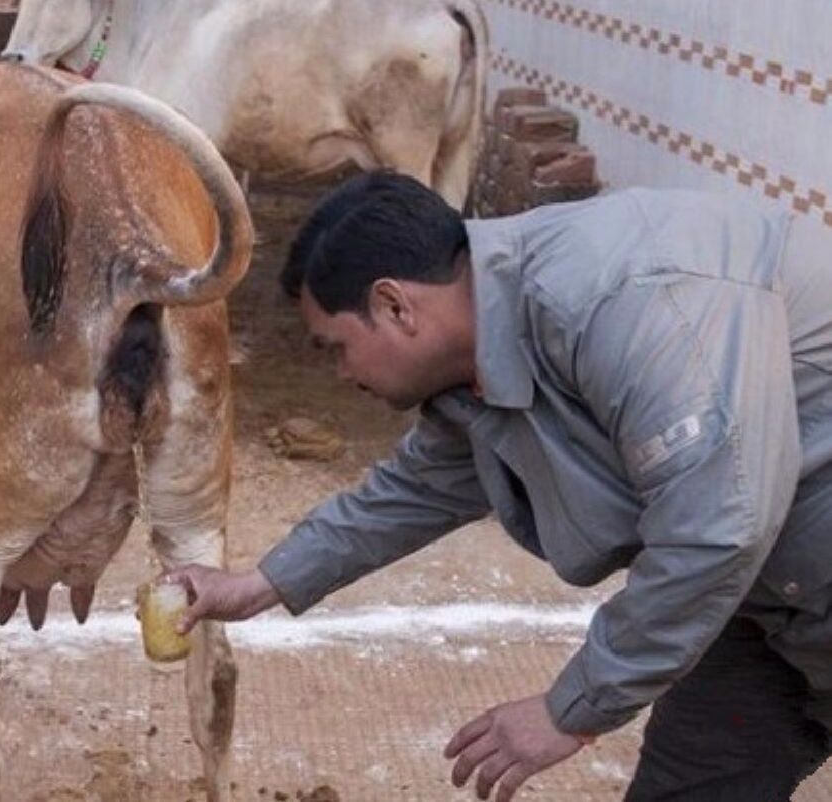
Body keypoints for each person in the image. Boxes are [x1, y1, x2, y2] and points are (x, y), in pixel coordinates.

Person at [167, 171, 832, 801]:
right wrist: (262, 583)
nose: (340, 373)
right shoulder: (484, 353)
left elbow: (718, 525)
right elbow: (414, 488)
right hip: (762, 606)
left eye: (334, 346)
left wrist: (567, 711)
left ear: (394, 305)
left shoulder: (621, 297)